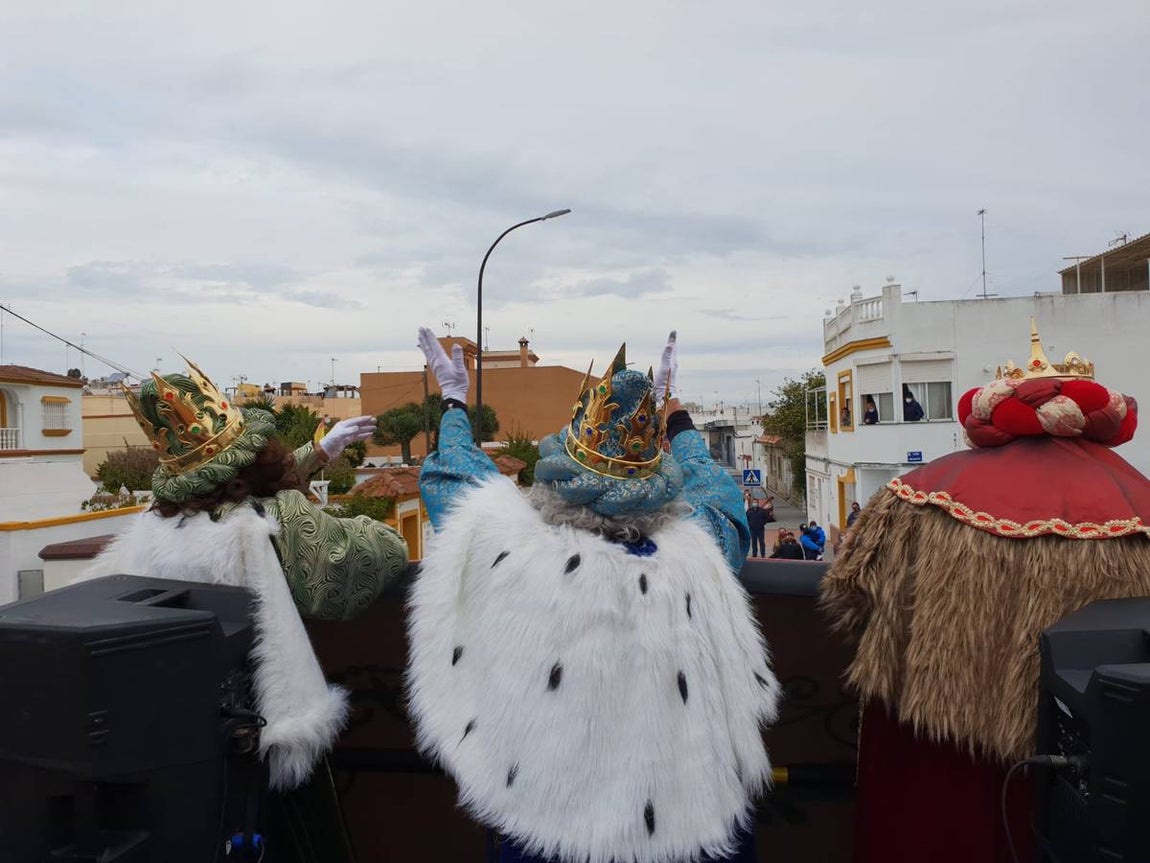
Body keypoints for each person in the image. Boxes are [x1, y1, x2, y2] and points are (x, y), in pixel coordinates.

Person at [408, 329, 780, 863]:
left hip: (546, 831)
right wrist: (674, 412)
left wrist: (453, 403)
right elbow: (717, 497)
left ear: (562, 473)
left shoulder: (513, 550)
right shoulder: (699, 553)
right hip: (686, 834)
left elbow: (457, 479)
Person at [821, 325, 1150, 862]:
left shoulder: (917, 495)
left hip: (932, 754)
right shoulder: (1137, 503)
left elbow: (852, 599)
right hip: (1083, 780)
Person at [81, 359, 409, 860]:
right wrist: (303, 493)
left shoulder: (159, 525)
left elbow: (239, 496)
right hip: (261, 737)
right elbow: (379, 554)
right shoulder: (270, 519)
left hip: (179, 741)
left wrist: (318, 453)